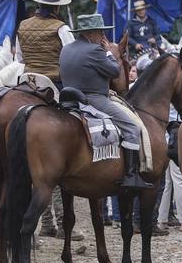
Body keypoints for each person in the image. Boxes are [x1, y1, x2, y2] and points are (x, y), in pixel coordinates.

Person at [59, 13, 151, 189]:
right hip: (93, 99)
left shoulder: (66, 48)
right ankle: (131, 176)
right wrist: (108, 50)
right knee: (132, 127)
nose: (103, 36)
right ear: (91, 33)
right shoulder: (96, 50)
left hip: (68, 97)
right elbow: (115, 71)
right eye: (101, 32)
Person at [17, 0, 75, 83]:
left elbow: (19, 58)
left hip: (28, 80)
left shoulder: (23, 25)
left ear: (39, 4)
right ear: (57, 7)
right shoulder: (62, 28)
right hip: (54, 80)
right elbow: (72, 58)